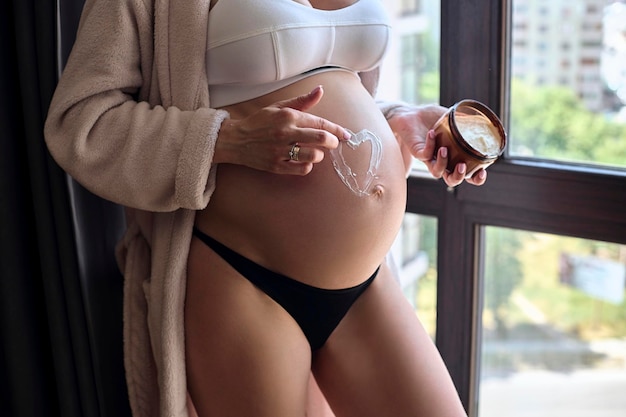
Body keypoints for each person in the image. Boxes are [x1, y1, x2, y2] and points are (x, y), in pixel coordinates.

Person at [44, 0, 487, 416]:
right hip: (243, 277)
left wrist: (396, 118)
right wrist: (223, 139)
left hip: (367, 279)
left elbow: (324, 77)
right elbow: (83, 122)